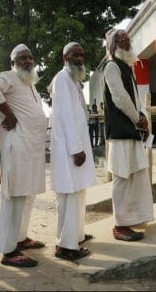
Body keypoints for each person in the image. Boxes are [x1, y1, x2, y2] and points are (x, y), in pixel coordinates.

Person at [0, 44, 47, 268]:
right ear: (13, 63)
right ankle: (9, 251)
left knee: (26, 195)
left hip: (31, 148)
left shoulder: (29, 82)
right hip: (17, 147)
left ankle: (20, 238)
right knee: (15, 196)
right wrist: (7, 113)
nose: (27, 61)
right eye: (22, 58)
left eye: (30, 57)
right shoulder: (8, 76)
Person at [102, 29, 154, 242]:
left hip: (131, 130)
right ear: (112, 46)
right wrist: (137, 118)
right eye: (120, 40)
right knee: (123, 177)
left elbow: (133, 98)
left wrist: (140, 115)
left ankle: (134, 219)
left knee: (137, 174)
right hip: (122, 131)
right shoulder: (112, 66)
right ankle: (119, 225)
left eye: (127, 39)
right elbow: (120, 98)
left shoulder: (126, 66)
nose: (126, 42)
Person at [49, 42, 97, 260]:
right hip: (69, 149)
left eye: (81, 54)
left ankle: (75, 235)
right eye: (74, 55)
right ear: (64, 58)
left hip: (76, 146)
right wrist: (77, 149)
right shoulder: (62, 79)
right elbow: (67, 116)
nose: (79, 58)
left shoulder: (74, 80)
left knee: (78, 192)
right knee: (69, 194)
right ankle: (66, 247)